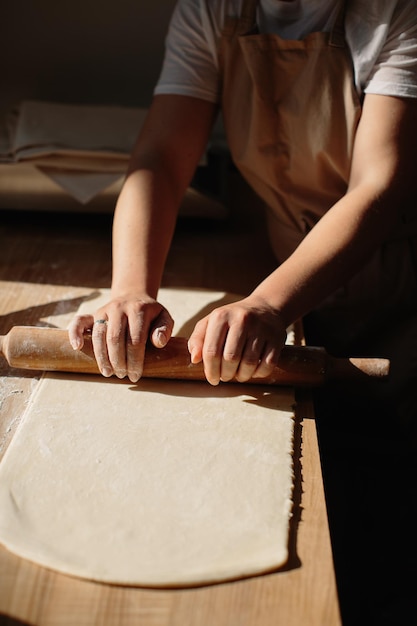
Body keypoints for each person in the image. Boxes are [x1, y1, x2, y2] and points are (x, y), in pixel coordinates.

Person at [69, 3, 417, 620]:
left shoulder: (394, 14)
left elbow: (377, 186)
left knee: (388, 512)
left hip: (398, 291)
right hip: (293, 273)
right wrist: (128, 286)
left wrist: (267, 302)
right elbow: (161, 159)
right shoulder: (215, 9)